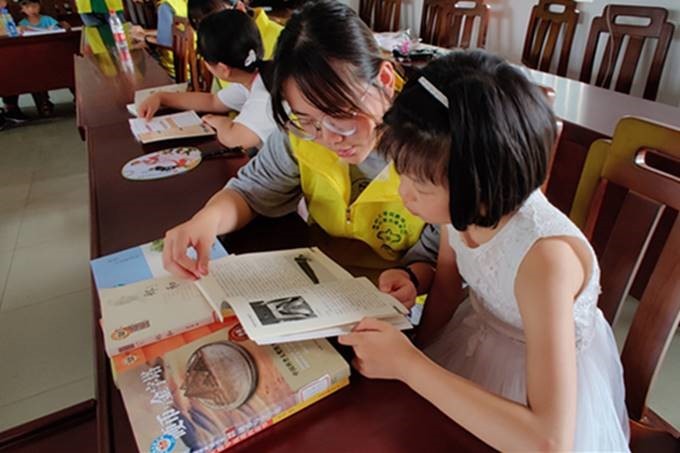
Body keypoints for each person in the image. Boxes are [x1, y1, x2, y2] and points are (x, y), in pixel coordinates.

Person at [339, 51, 630, 451]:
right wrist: (414, 351)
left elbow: (549, 442)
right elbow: (446, 286)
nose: (405, 196)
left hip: (538, 392)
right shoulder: (463, 209)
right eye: (402, 176)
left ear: (479, 187)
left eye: (420, 187)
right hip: (476, 336)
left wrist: (409, 365)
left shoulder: (544, 259)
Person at [162, 0, 435, 285]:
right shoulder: (300, 135)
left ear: (385, 81)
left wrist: (411, 278)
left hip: (397, 296)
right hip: (323, 279)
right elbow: (251, 191)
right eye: (307, 120)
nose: (329, 138)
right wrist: (206, 221)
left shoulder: (431, 145)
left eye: (340, 116)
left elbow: (440, 260)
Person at [138, 9, 277, 149]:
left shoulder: (264, 94)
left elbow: (234, 140)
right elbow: (213, 101)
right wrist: (161, 97)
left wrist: (218, 121)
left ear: (223, 69)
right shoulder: (254, 77)